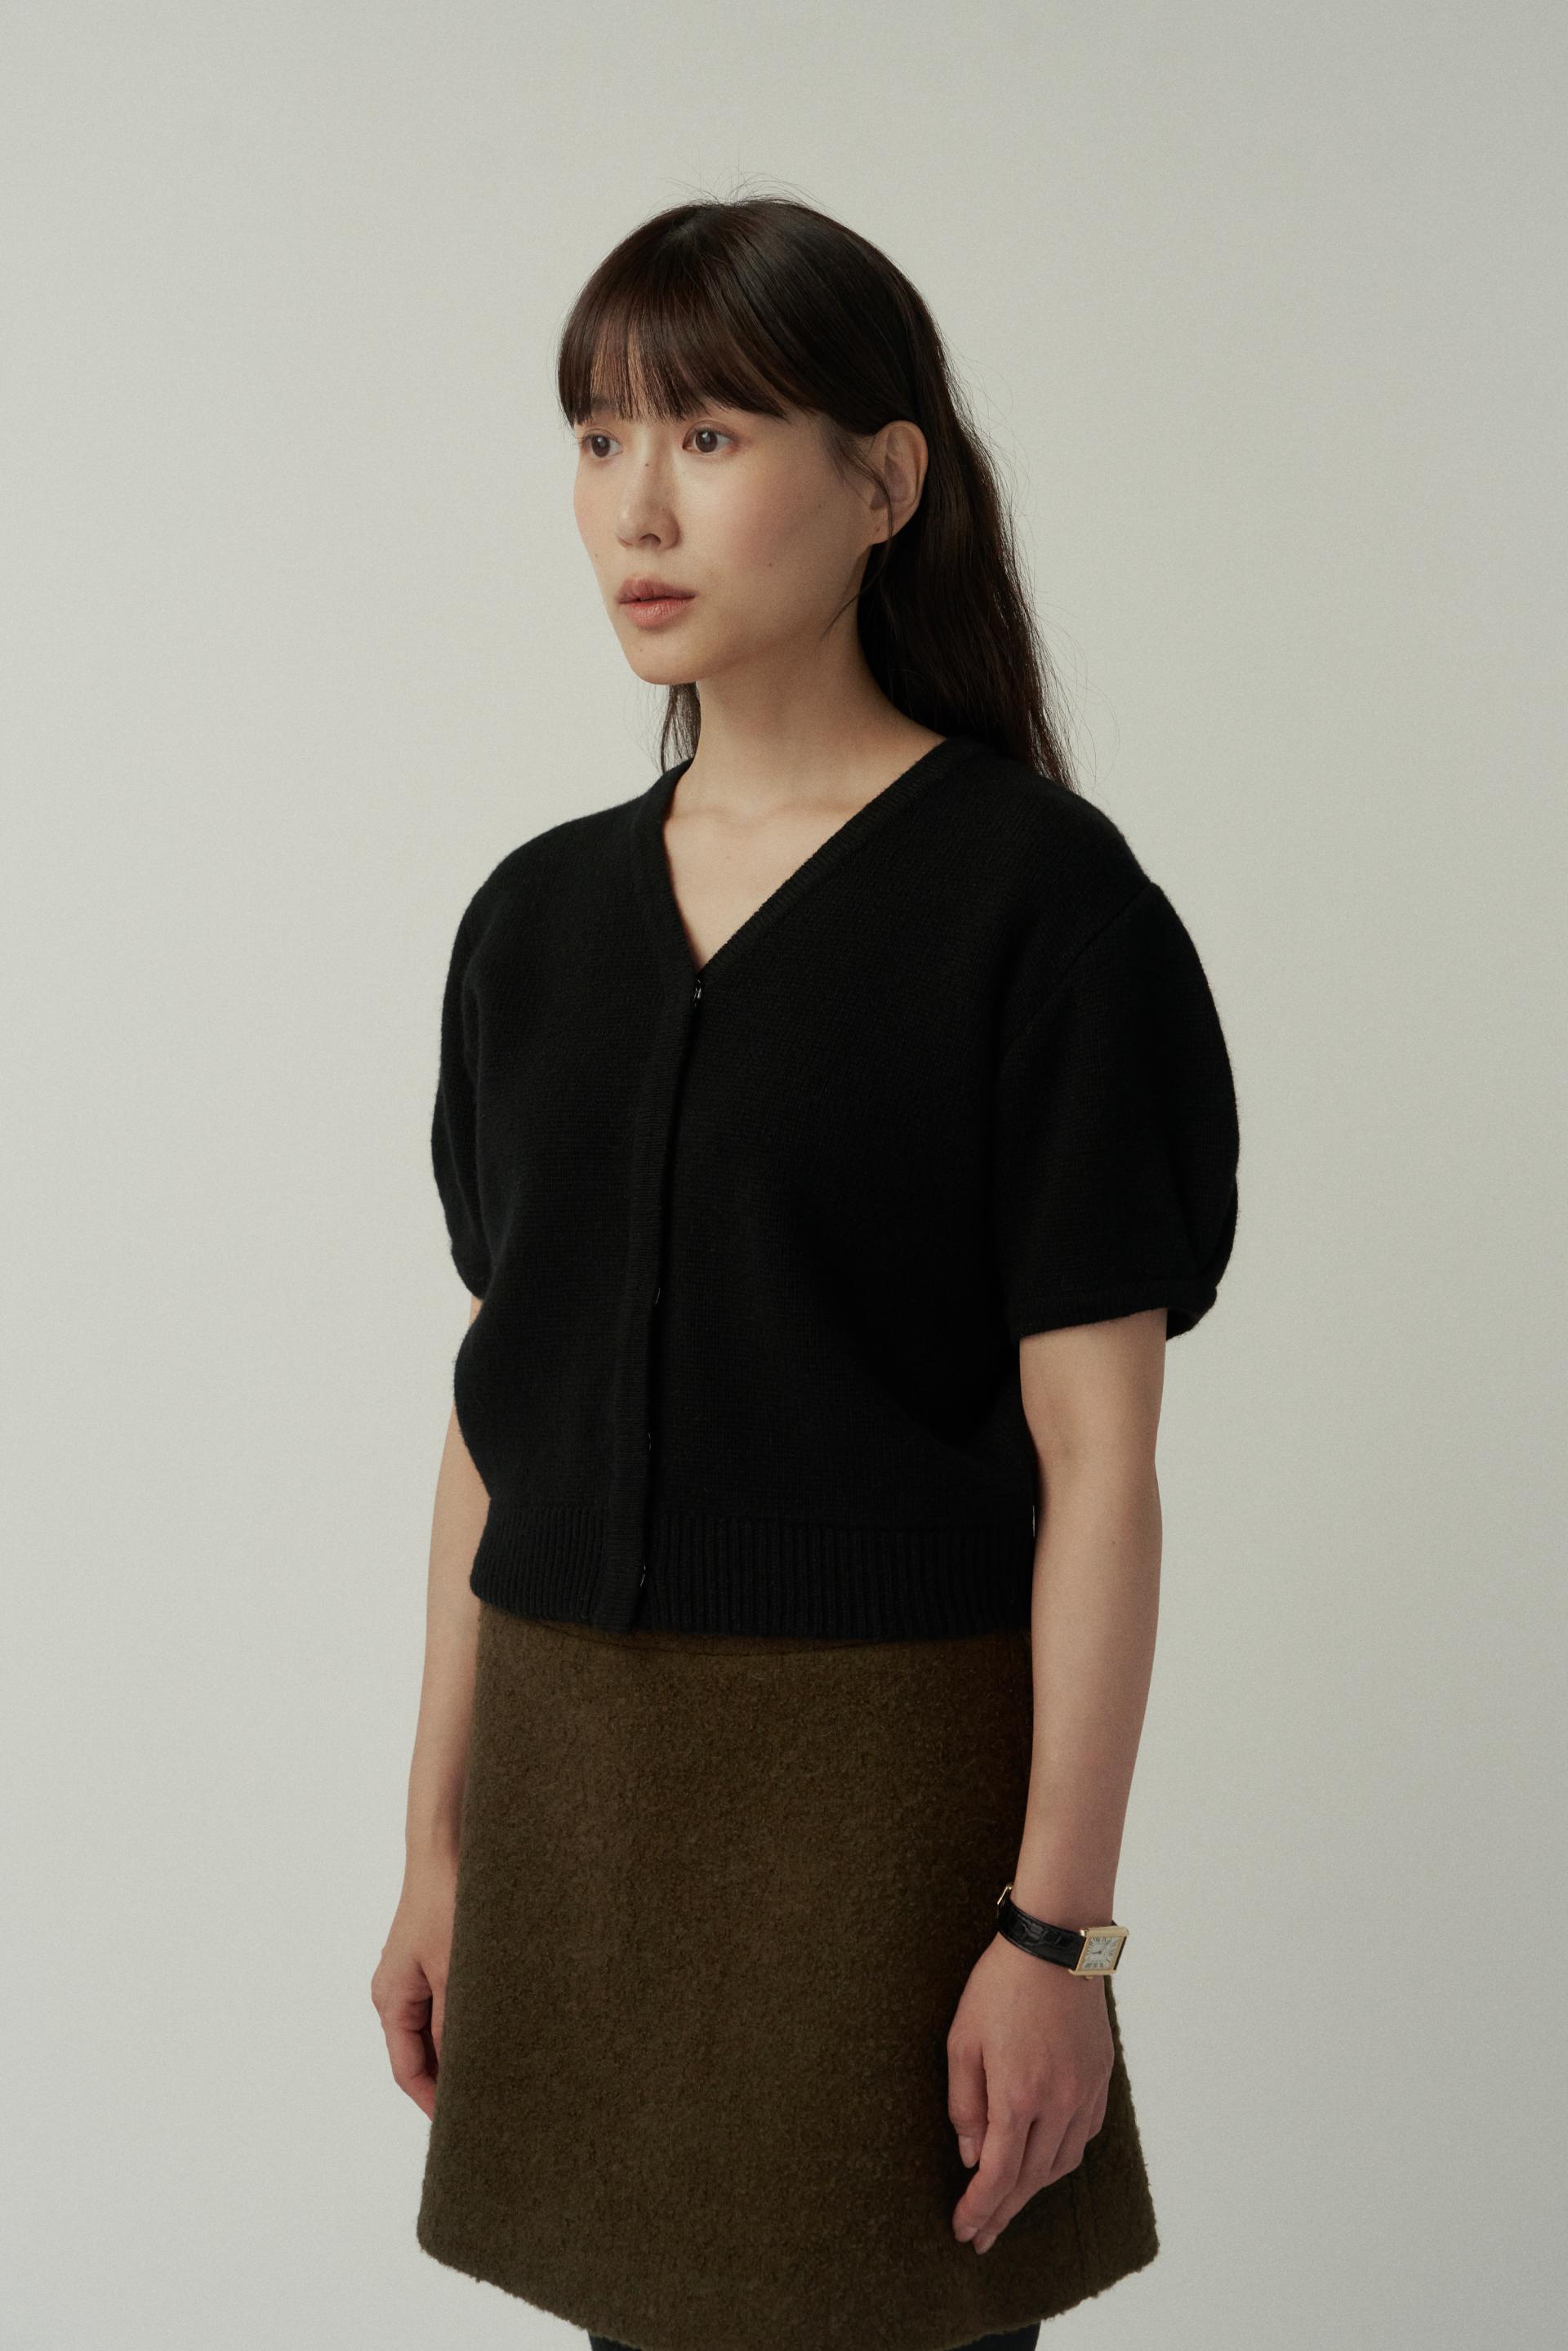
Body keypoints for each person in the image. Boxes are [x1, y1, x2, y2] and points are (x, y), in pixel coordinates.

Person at [372, 192, 1241, 2351]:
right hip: (575, 1795)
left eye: (711, 434)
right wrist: (437, 1849)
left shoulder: (1041, 909)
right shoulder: (533, 928)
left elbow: (1101, 1467)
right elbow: (498, 1419)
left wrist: (1058, 1934)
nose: (637, 507)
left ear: (886, 481)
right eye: (599, 439)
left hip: (883, 1817)